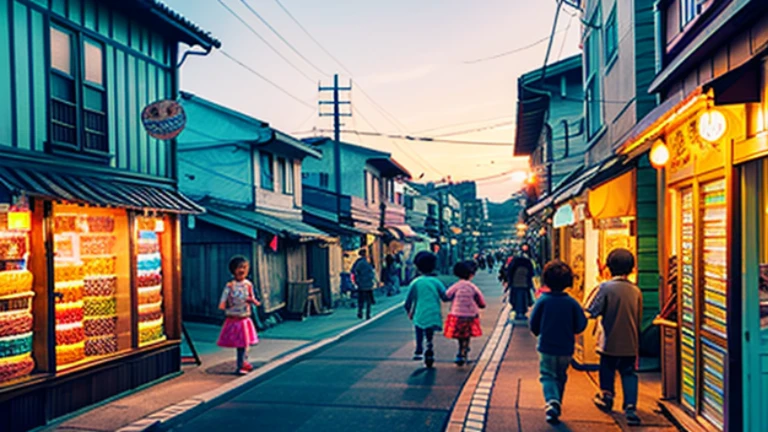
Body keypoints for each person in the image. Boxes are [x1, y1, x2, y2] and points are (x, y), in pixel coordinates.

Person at [586, 248, 643, 426]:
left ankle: (607, 397)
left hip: (609, 340)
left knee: (607, 370)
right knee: (629, 373)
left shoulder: (605, 287)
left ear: (608, 267)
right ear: (632, 268)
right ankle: (631, 407)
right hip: (631, 342)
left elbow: (593, 311)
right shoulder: (636, 290)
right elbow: (639, 316)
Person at [529, 260, 588, 424]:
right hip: (566, 348)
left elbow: (533, 323)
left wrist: (537, 332)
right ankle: (556, 403)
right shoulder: (572, 302)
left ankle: (552, 401)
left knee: (547, 375)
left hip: (546, 347)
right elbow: (581, 324)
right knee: (561, 376)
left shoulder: (543, 300)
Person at [217, 255, 261, 375]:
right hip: (234, 317)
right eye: (239, 267)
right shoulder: (230, 285)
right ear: (233, 270)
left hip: (245, 317)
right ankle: (240, 365)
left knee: (245, 343)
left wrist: (254, 301)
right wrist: (223, 306)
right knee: (241, 343)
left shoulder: (248, 284)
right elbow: (224, 298)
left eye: (245, 268)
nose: (242, 270)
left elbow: (252, 296)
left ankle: (243, 362)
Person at [404, 251, 448, 368]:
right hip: (434, 311)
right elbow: (444, 296)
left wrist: (409, 311)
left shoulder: (415, 282)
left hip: (419, 312)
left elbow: (408, 301)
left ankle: (419, 348)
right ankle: (429, 344)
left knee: (419, 327)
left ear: (417, 267)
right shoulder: (436, 282)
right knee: (429, 329)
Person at [444, 261, 486, 366]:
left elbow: (447, 296)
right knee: (467, 334)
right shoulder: (472, 287)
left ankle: (460, 351)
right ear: (472, 274)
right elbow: (481, 300)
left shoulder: (456, 286)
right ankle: (465, 349)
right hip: (471, 315)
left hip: (457, 314)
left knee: (459, 334)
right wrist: (481, 305)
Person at [505, 246, 536, 320]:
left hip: (515, 285)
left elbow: (509, 272)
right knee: (524, 299)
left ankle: (518, 311)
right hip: (524, 285)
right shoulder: (528, 263)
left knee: (516, 298)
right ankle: (522, 312)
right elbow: (531, 274)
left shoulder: (514, 263)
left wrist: (509, 282)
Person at [352, 248, 377, 320]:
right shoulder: (367, 263)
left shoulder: (357, 263)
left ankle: (360, 312)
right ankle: (368, 314)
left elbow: (354, 272)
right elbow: (371, 273)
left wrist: (356, 281)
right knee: (368, 300)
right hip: (368, 284)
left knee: (361, 299)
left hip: (361, 284)